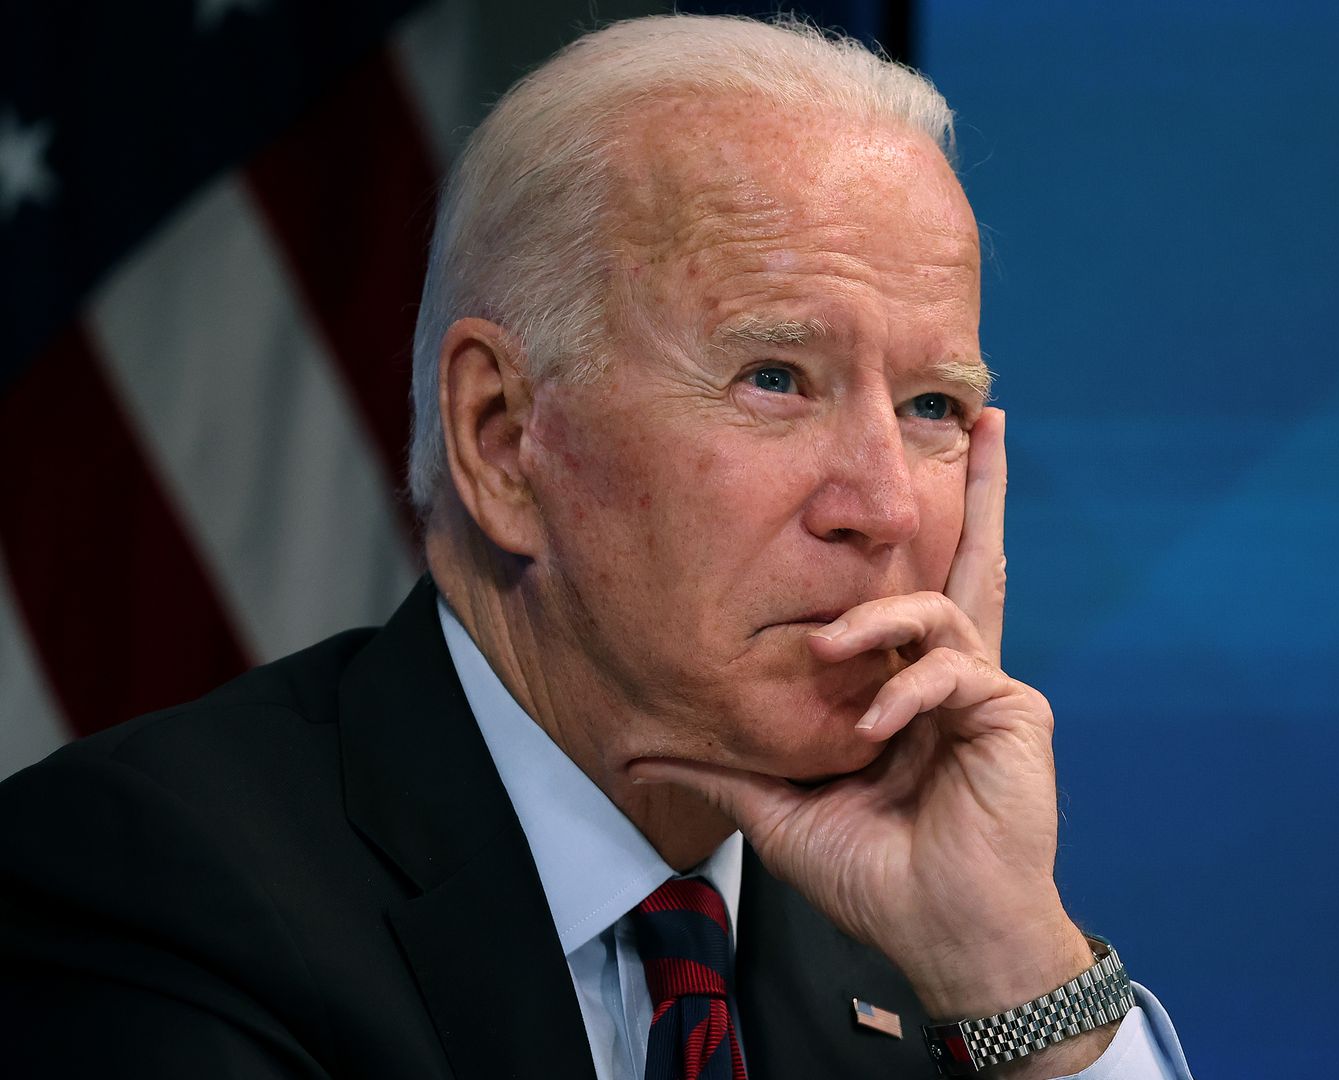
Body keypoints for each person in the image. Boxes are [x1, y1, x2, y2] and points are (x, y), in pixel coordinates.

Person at [0, 15, 1191, 1079]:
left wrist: (1012, 970)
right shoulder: (159, 887)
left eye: (933, 405)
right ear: (502, 436)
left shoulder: (918, 926)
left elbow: (997, 967)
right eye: (775, 378)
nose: (883, 505)